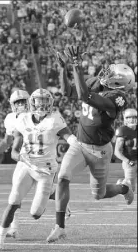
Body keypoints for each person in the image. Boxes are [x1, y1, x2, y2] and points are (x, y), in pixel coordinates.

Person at [47, 45, 135, 242]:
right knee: (62, 177)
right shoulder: (97, 82)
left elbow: (84, 96)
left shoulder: (118, 97)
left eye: (112, 73)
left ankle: (124, 188)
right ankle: (60, 227)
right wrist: (64, 69)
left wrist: (77, 64)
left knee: (99, 194)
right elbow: (68, 90)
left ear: (118, 82)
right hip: (80, 144)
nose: (106, 72)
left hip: (100, 152)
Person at [0, 88, 75, 252]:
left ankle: (61, 201)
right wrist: (21, 158)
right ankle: (0, 241)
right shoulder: (19, 120)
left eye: (44, 102)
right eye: (17, 102)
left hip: (45, 170)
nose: (41, 105)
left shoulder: (54, 119)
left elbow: (70, 138)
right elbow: (13, 149)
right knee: (13, 200)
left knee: (35, 214)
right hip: (25, 166)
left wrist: (78, 146)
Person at [0, 89, 30, 239]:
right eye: (17, 102)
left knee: (48, 191)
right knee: (16, 193)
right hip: (22, 158)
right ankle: (14, 228)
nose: (20, 105)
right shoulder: (10, 118)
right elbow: (7, 141)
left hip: (38, 156)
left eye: (23, 101)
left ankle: (65, 211)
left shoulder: (35, 116)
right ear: (13, 105)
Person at [114, 108, 137, 192]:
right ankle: (120, 185)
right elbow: (117, 152)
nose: (132, 119)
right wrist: (127, 161)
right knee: (131, 190)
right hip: (130, 162)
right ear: (125, 119)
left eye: (134, 117)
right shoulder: (122, 130)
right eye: (129, 117)